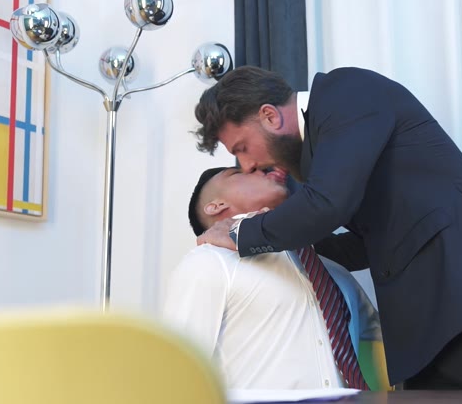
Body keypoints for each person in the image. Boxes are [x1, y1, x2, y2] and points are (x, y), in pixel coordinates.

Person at [191, 66, 462, 389]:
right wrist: (290, 252)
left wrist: (239, 235)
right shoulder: (321, 160)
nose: (246, 165)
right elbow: (370, 243)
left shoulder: (344, 92)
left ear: (270, 116)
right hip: (427, 340)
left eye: (241, 148)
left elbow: (327, 204)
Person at [162, 166, 390, 390]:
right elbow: (177, 371)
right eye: (238, 173)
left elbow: (390, 340)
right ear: (216, 206)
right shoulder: (209, 263)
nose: (258, 169)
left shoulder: (333, 272)